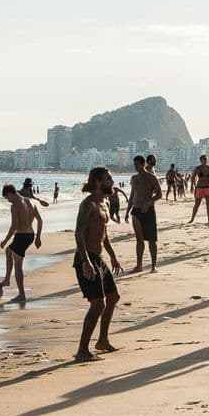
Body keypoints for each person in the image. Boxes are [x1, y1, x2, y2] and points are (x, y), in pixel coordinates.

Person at [73, 166, 124, 362]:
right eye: (108, 178)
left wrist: (112, 256)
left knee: (113, 297)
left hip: (99, 258)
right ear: (97, 182)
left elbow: (104, 234)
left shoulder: (105, 203)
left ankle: (102, 340)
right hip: (85, 259)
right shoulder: (88, 205)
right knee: (98, 304)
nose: (111, 181)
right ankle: (82, 350)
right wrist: (86, 262)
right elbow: (79, 233)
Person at [0, 184, 43, 301]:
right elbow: (40, 220)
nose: (8, 201)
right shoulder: (30, 202)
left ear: (10, 194)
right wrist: (38, 237)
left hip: (21, 236)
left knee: (18, 266)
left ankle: (21, 294)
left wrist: (5, 240)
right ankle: (7, 279)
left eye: (7, 198)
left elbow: (14, 226)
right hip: (30, 235)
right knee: (9, 251)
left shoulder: (15, 206)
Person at [128, 155, 162, 273]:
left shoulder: (151, 177)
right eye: (135, 164)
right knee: (139, 240)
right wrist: (128, 211)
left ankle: (153, 266)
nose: (136, 167)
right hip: (136, 210)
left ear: (143, 164)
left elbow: (159, 194)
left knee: (152, 239)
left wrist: (149, 202)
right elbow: (132, 195)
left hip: (148, 210)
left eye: (138, 164)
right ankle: (139, 265)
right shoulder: (134, 178)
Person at [189, 155, 209, 224]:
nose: (205, 160)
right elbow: (193, 178)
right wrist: (192, 186)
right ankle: (192, 219)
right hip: (199, 187)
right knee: (197, 204)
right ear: (200, 160)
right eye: (203, 159)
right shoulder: (198, 168)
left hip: (208, 187)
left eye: (206, 159)